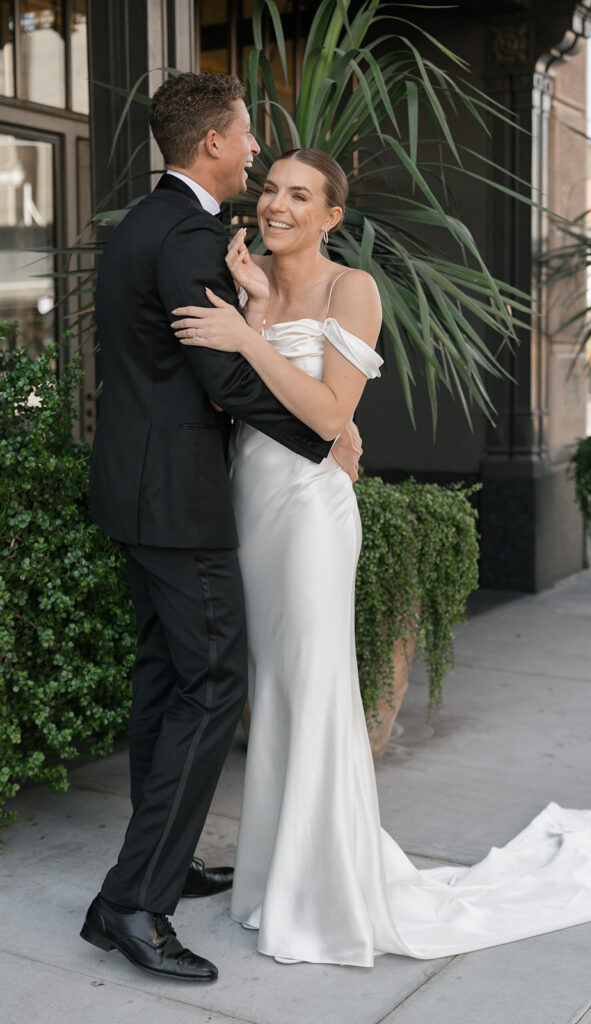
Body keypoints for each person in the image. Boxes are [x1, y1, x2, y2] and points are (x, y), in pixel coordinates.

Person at [172, 147, 591, 968]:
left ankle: (322, 893)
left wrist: (245, 337)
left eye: (299, 195)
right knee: (275, 694)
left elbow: (330, 413)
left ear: (332, 216)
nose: (275, 205)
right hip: (249, 504)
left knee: (316, 690)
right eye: (269, 189)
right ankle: (274, 878)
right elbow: (233, 400)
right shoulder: (248, 277)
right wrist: (253, 313)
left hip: (308, 515)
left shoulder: (350, 289)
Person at [81, 74, 360, 983]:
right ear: (213, 144)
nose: (253, 155)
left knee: (168, 681)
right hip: (182, 500)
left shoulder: (139, 225)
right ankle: (134, 903)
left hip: (137, 489)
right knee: (210, 685)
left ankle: (158, 864)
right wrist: (322, 437)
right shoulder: (194, 233)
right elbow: (221, 379)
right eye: (246, 141)